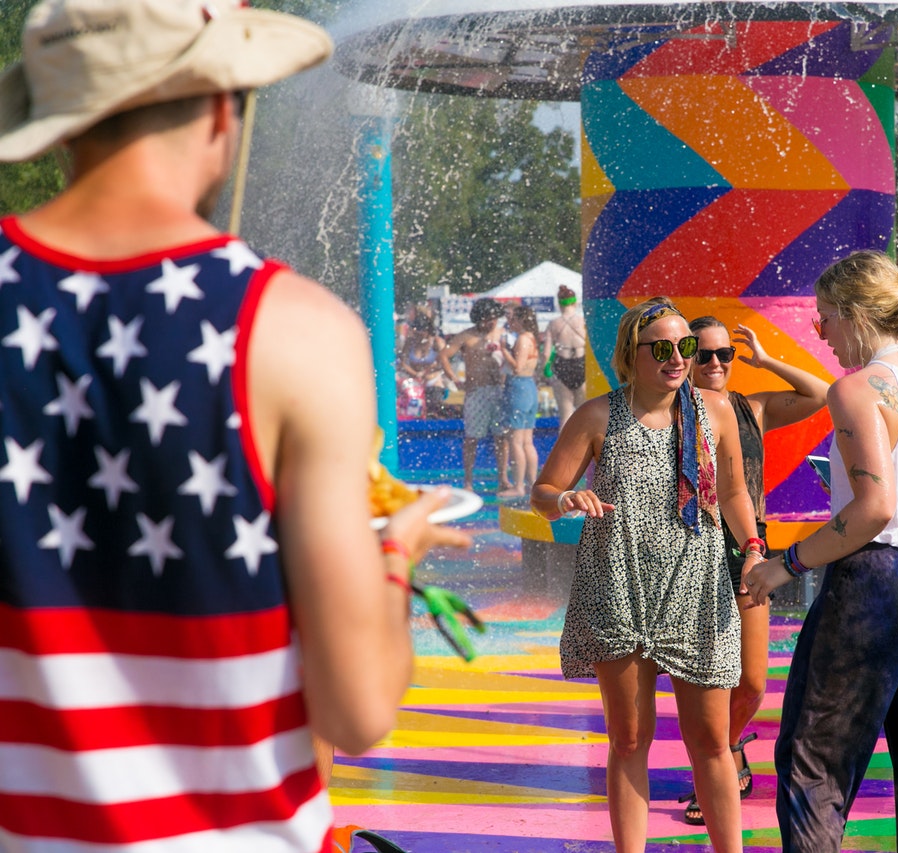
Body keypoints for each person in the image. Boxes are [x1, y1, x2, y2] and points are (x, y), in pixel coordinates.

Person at [0, 1, 471, 850]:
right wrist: (396, 552)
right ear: (223, 105)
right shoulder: (295, 329)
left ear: (60, 120)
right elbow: (357, 708)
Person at [744, 251, 898, 853]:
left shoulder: (856, 389)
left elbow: (875, 508)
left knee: (812, 763)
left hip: (880, 580)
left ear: (855, 315)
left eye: (824, 317)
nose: (819, 331)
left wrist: (787, 564)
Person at [531, 297, 765, 853]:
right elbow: (542, 494)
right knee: (629, 738)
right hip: (619, 582)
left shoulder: (718, 410)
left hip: (698, 582)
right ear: (630, 355)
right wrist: (567, 498)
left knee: (710, 739)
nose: (678, 358)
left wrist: (753, 547)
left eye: (685, 347)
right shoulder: (596, 415)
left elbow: (732, 491)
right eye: (662, 348)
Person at [680, 316, 829, 825]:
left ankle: (721, 750)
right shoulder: (669, 413)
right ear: (684, 356)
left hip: (746, 545)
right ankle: (715, 770)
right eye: (704, 355)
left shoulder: (752, 408)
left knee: (751, 680)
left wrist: (764, 360)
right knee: (704, 675)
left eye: (726, 355)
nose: (717, 363)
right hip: (688, 547)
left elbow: (821, 392)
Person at [439, 296, 510, 492]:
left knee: (501, 438)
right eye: (486, 319)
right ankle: (468, 481)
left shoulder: (502, 334)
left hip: (499, 390)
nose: (489, 323)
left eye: (493, 319)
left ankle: (503, 478)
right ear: (477, 319)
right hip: (475, 392)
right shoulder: (466, 336)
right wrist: (454, 378)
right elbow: (444, 355)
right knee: (471, 439)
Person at [498, 303, 541, 498]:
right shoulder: (531, 337)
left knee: (516, 441)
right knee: (526, 442)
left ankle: (519, 486)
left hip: (519, 388)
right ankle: (532, 484)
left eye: (513, 319)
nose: (510, 322)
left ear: (521, 320)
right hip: (529, 388)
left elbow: (517, 367)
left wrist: (503, 350)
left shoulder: (523, 339)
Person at [543, 283, 588, 428]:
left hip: (562, 366)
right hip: (581, 364)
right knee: (584, 413)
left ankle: (564, 449)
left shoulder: (553, 323)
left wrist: (545, 372)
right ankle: (586, 449)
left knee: (565, 415)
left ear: (559, 303)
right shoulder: (583, 321)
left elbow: (546, 353)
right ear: (575, 302)